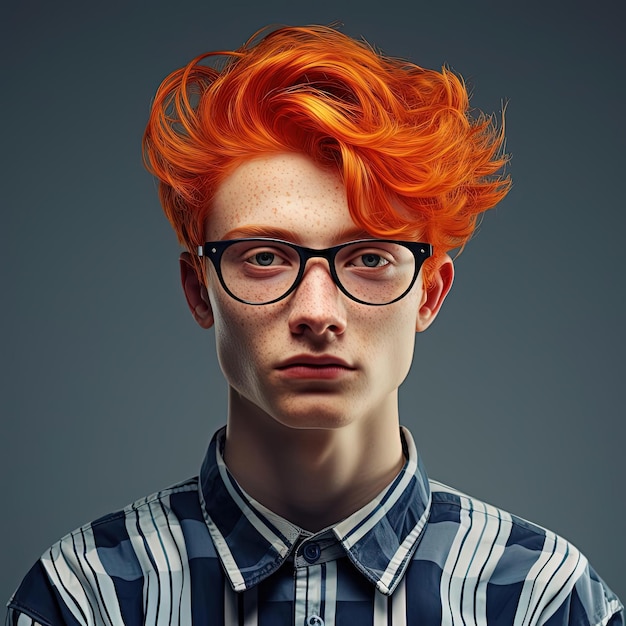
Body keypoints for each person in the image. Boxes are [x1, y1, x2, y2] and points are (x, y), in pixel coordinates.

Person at [6, 24, 623, 626]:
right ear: (200, 289)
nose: (317, 313)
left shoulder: (542, 600)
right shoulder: (87, 597)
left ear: (429, 294)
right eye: (266, 258)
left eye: (370, 258)